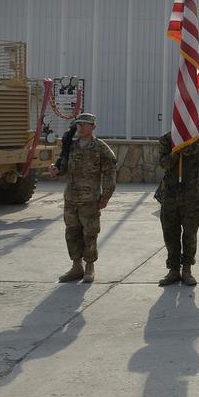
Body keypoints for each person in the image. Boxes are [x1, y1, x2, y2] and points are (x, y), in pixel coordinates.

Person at [48, 113, 117, 284]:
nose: (80, 127)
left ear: (94, 127)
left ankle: (89, 267)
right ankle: (76, 266)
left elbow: (109, 175)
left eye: (85, 124)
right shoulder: (70, 146)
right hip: (71, 198)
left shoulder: (101, 148)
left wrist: (105, 196)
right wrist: (56, 170)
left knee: (90, 233)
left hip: (90, 199)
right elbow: (63, 167)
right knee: (72, 233)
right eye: (78, 124)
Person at [156, 131, 199, 287]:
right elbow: (164, 163)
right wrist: (174, 152)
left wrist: (180, 146)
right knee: (170, 232)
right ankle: (173, 270)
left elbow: (192, 152)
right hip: (171, 192)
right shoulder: (166, 139)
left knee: (190, 233)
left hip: (192, 193)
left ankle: (187, 269)